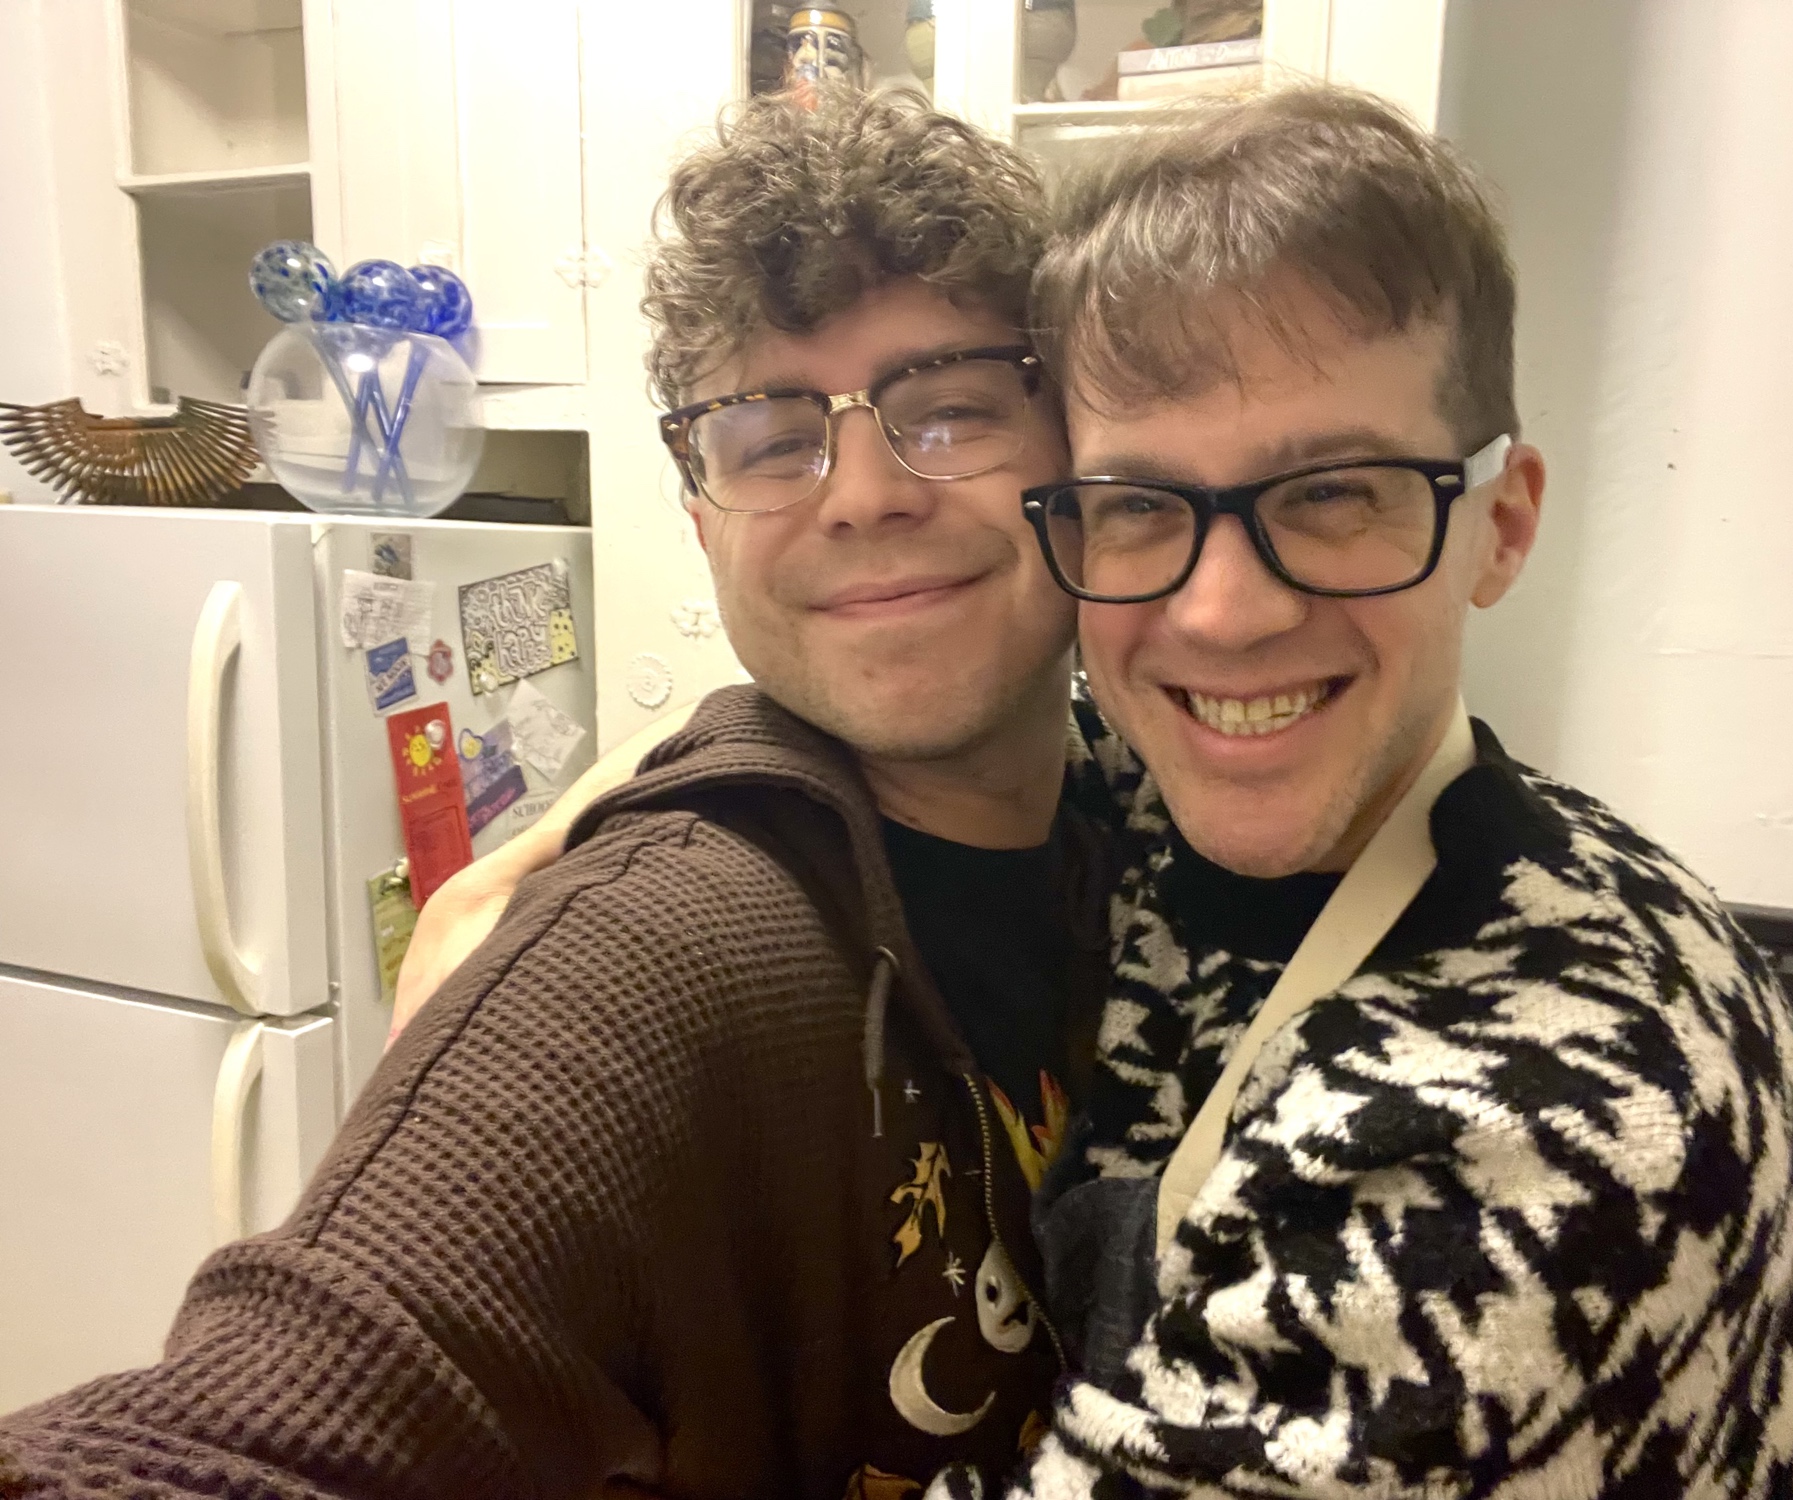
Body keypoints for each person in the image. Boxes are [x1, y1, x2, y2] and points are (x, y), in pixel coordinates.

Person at [403, 88, 1793, 1500]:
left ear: (1501, 523)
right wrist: (552, 851)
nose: (1222, 615)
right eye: (1143, 507)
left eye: (1331, 493)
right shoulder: (1161, 792)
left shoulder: (1523, 1128)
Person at [0, 88, 1107, 1497]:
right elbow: (248, 1431)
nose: (861, 494)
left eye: (948, 411)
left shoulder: (1137, 826)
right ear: (701, 516)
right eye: (773, 438)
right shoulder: (663, 945)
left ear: (1088, 463)